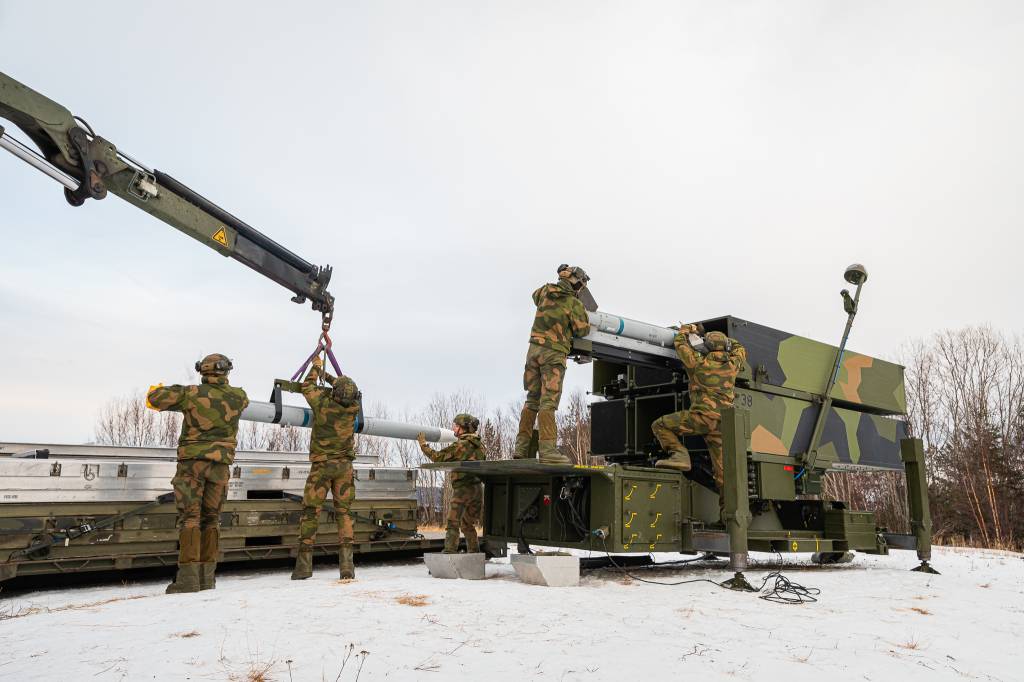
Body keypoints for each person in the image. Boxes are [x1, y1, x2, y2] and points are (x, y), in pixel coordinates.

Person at [147, 353, 249, 594]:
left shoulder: (190, 393)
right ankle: (207, 578)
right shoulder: (239, 397)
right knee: (211, 519)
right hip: (221, 466)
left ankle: (188, 579)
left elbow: (154, 398)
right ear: (226, 371)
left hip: (192, 465)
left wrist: (167, 389)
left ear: (202, 371)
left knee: (190, 519)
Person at [281, 356, 362, 580]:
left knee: (310, 513)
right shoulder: (353, 407)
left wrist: (316, 366)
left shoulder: (323, 404)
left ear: (334, 393)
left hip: (322, 467)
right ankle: (347, 567)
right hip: (344, 467)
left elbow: (307, 385)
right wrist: (329, 377)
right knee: (344, 514)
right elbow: (345, 389)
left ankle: (303, 567)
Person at [651, 327, 746, 499]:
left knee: (659, 425)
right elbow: (740, 348)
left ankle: (680, 455)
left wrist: (688, 330)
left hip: (701, 418)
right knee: (724, 478)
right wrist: (728, 342)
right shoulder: (733, 365)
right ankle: (729, 519)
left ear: (707, 347)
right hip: (723, 424)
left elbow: (679, 343)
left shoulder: (697, 363)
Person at [513, 265, 592, 464]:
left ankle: (521, 448)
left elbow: (534, 296)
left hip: (533, 352)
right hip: (553, 355)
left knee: (532, 400)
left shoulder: (545, 291)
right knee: (548, 402)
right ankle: (547, 450)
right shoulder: (573, 303)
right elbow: (582, 330)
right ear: (576, 283)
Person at [417, 414, 485, 553]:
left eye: (456, 425)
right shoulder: (480, 445)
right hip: (477, 489)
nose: (453, 428)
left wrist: (423, 445)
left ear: (463, 428)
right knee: (467, 524)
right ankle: (474, 552)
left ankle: (449, 552)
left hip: (463, 488)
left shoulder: (460, 445)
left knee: (453, 522)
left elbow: (438, 457)